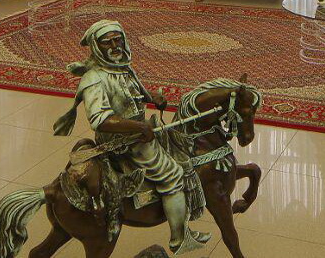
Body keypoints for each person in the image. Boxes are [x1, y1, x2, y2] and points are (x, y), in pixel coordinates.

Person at [54, 19, 211, 255]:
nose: (114, 46)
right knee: (173, 174)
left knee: (180, 147)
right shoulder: (93, 79)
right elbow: (100, 120)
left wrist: (152, 98)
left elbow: (135, 94)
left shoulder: (123, 67)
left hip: (140, 131)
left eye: (118, 40)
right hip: (123, 141)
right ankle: (179, 238)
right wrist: (137, 127)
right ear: (96, 46)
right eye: (107, 42)